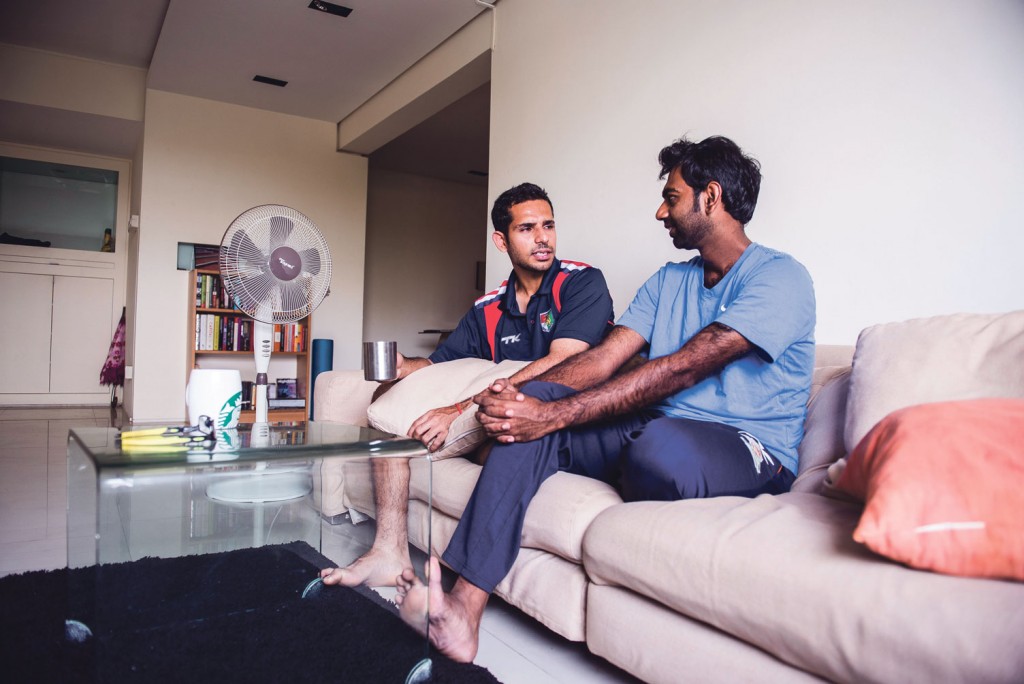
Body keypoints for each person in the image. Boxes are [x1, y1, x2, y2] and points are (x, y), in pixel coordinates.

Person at [393, 135, 816, 663]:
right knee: (537, 409)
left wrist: (556, 415)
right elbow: (601, 359)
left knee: (657, 447)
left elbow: (685, 367)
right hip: (656, 427)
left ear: (711, 197)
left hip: (750, 447)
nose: (661, 211)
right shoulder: (668, 281)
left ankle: (600, 457)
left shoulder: (781, 277)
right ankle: (462, 609)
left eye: (673, 196)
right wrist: (527, 402)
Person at [320, 182, 614, 588]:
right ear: (501, 240)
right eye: (527, 229)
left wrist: (457, 410)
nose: (542, 237)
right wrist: (406, 368)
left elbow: (566, 360)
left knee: (493, 440)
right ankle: (388, 552)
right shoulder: (488, 308)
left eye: (547, 225)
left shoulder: (581, 283)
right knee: (392, 413)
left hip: (561, 421)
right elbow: (443, 364)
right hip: (500, 417)